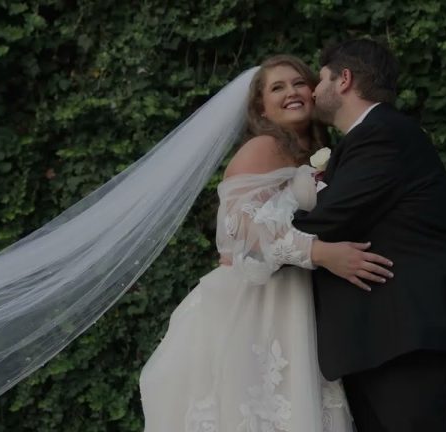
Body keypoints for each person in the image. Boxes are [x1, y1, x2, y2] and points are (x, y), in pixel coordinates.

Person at [140, 55, 393, 431]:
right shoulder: (262, 147)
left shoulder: (321, 153)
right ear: (261, 107)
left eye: (299, 83)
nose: (292, 92)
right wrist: (319, 252)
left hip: (301, 304)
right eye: (278, 87)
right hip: (255, 306)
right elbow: (239, 232)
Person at [293, 39, 446, 431]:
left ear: (344, 80)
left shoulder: (382, 134)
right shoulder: (369, 138)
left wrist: (256, 238)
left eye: (320, 80)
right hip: (385, 342)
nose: (313, 92)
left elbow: (331, 220)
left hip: (419, 340)